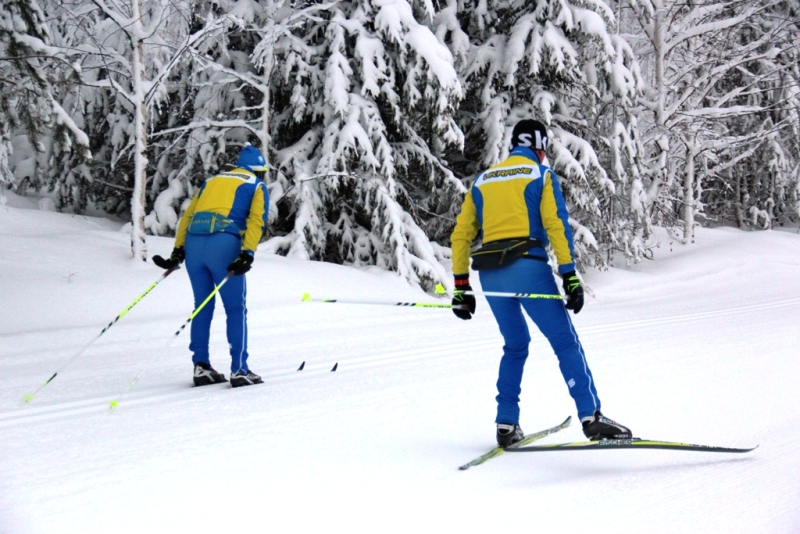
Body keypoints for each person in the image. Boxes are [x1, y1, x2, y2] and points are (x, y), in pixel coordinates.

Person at [449, 119, 631, 445]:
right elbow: (556, 225)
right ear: (539, 147)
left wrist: (461, 286)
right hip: (528, 269)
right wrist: (569, 276)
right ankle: (592, 417)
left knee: (515, 346)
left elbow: (461, 235)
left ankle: (506, 424)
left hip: (490, 275)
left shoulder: (483, 180)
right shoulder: (540, 174)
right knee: (565, 343)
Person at [153, 145, 269, 388]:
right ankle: (239, 370)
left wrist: (178, 251)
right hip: (224, 244)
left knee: (202, 306)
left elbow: (188, 216)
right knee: (236, 309)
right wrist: (247, 253)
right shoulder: (256, 185)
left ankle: (201, 366)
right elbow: (256, 220)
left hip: (195, 245)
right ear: (259, 170)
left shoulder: (212, 181)